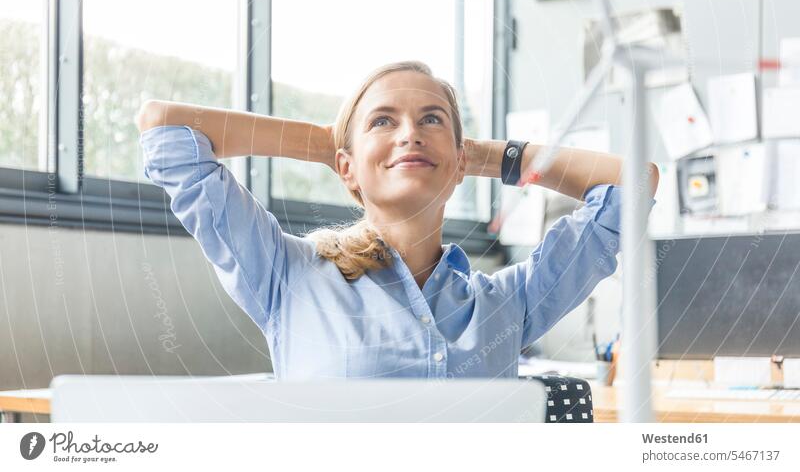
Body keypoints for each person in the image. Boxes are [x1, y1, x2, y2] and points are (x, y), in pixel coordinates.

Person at [136, 60, 658, 379]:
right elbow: (164, 128)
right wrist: (325, 143)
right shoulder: (286, 275)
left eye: (431, 120)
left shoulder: (508, 305)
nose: (410, 133)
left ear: (459, 164)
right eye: (383, 121)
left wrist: (488, 157)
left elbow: (634, 184)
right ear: (348, 169)